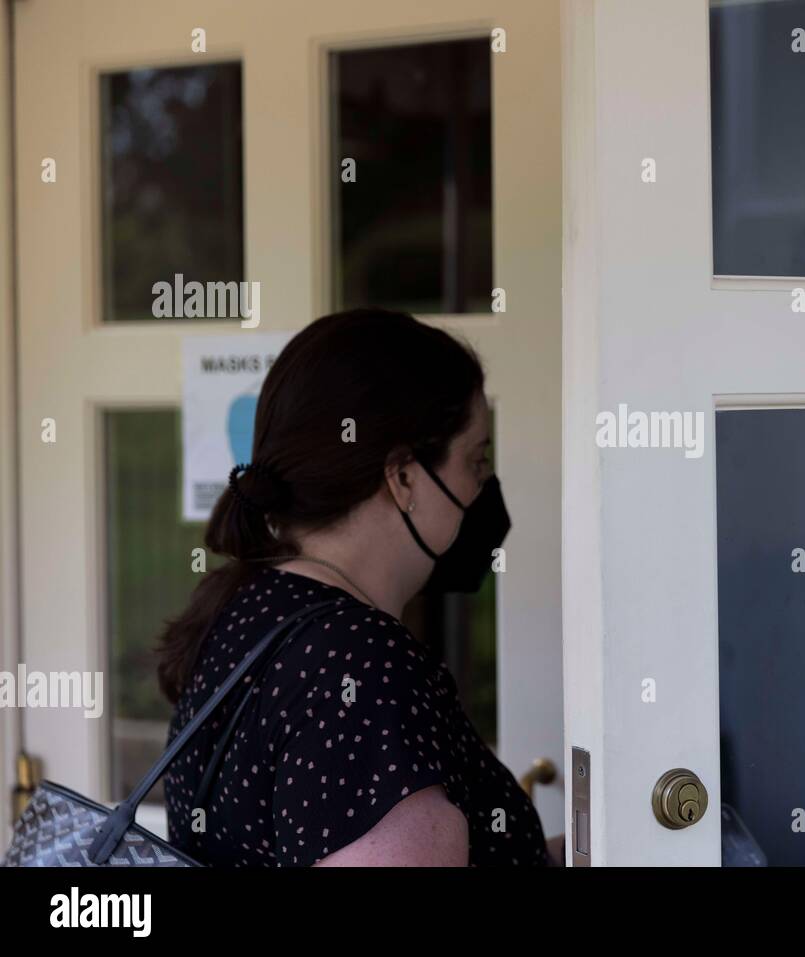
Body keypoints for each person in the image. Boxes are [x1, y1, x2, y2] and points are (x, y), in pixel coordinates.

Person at [156, 309, 559, 866]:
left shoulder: (240, 610)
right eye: (476, 459)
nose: (483, 485)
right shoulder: (360, 661)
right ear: (403, 476)